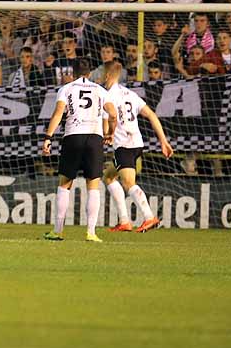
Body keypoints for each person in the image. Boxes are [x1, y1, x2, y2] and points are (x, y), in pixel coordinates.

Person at [42, 57, 117, 243]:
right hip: (94, 138)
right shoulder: (100, 90)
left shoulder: (66, 89)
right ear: (90, 72)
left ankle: (58, 231)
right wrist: (111, 133)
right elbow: (113, 114)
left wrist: (48, 138)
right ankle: (91, 233)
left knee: (65, 183)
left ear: (73, 72)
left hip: (73, 136)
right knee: (93, 185)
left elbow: (58, 113)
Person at [100, 62, 173, 234]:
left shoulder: (106, 96)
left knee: (128, 183)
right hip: (137, 143)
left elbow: (108, 120)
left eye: (102, 74)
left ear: (107, 76)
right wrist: (163, 141)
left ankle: (149, 217)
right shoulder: (130, 94)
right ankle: (124, 221)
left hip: (123, 145)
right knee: (109, 177)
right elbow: (151, 115)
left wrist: (107, 134)